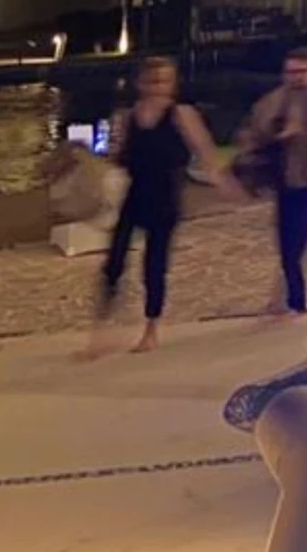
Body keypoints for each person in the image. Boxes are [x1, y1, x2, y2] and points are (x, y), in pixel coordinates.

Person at [90, 55, 233, 356]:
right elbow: (117, 157)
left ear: (172, 84)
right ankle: (100, 330)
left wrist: (223, 182)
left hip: (166, 199)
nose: (158, 87)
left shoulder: (182, 115)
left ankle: (150, 330)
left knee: (153, 266)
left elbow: (205, 151)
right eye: (153, 81)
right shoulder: (128, 116)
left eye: (164, 81)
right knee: (114, 262)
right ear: (141, 83)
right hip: (136, 194)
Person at [241, 46, 307, 318]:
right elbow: (258, 128)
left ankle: (295, 299)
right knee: (287, 240)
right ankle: (291, 296)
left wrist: (298, 133)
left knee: (297, 240)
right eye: (291, 72)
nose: (297, 78)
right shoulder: (275, 100)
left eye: (302, 72)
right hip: (284, 177)